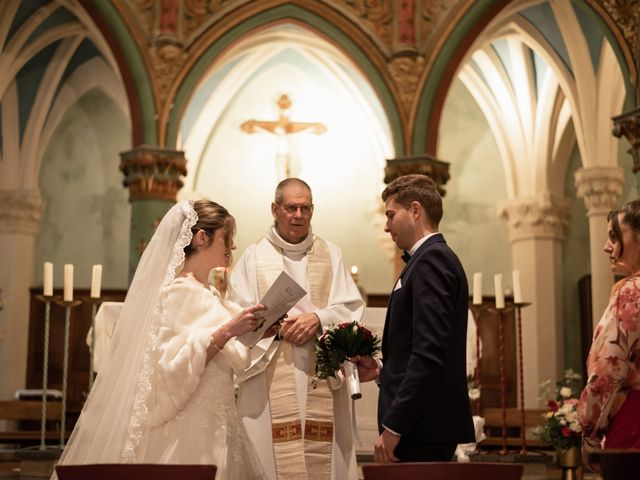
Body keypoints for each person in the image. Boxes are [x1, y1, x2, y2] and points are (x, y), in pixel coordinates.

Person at [54, 200, 267, 480]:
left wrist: (259, 327)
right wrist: (228, 331)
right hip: (191, 425)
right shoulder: (180, 292)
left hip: (215, 418)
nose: (232, 248)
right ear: (202, 238)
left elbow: (223, 349)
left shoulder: (206, 293)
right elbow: (169, 368)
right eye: (227, 238)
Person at [228, 177, 365, 480]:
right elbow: (236, 313)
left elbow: (352, 308)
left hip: (322, 374)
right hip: (268, 373)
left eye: (305, 208)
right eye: (291, 208)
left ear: (312, 211)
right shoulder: (253, 257)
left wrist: (317, 320)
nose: (298, 215)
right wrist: (277, 328)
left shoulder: (331, 254)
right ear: (275, 209)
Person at [356, 173, 474, 463]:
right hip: (421, 425)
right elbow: (418, 348)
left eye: (391, 215)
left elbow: (430, 354)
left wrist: (395, 425)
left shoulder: (432, 261)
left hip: (421, 427)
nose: (386, 226)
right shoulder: (426, 260)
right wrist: (382, 370)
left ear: (416, 210)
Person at [578, 199, 640, 459]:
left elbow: (609, 370)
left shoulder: (632, 292)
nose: (606, 247)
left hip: (633, 424)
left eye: (615, 236)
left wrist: (589, 428)